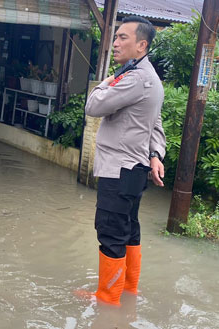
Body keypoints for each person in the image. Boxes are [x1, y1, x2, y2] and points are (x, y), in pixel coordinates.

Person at [85, 16, 166, 306]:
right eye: (116, 37)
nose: (116, 43)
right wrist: (156, 155)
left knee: (110, 231)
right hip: (134, 169)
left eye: (123, 38)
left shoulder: (134, 78)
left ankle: (107, 302)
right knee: (128, 228)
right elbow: (155, 126)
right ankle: (128, 289)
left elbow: (93, 106)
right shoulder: (150, 78)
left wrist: (104, 83)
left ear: (141, 45)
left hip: (118, 170)